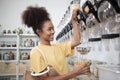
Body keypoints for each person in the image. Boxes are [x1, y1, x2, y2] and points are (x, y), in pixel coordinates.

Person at [22, 6, 90, 80]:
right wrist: (75, 73)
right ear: (39, 31)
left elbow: (77, 41)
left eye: (53, 28)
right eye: (49, 29)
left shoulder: (58, 47)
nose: (53, 31)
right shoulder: (36, 52)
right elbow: (45, 79)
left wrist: (73, 20)